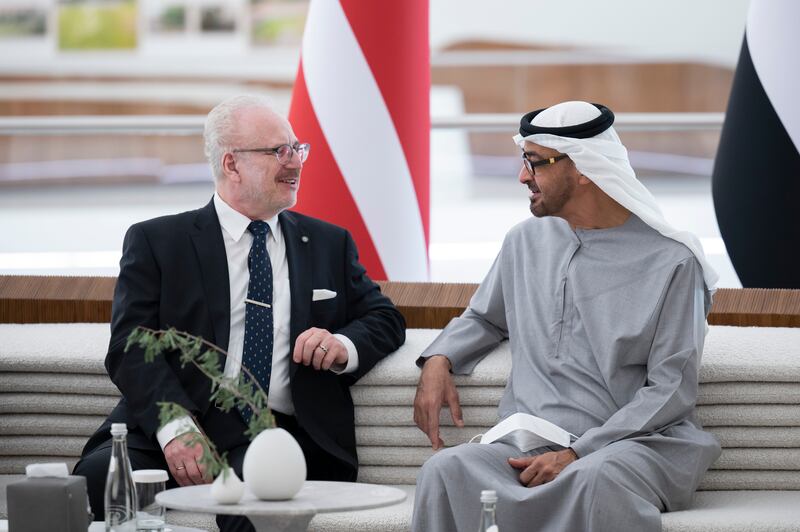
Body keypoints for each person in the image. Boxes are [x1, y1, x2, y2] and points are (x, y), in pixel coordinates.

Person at [73, 94, 405, 531]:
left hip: (271, 432)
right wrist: (175, 428)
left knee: (255, 504)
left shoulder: (328, 243)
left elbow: (385, 318)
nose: (295, 163)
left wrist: (341, 344)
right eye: (278, 152)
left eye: (296, 149)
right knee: (90, 486)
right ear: (231, 164)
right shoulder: (158, 242)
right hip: (168, 425)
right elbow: (130, 347)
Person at [411, 101, 721, 532]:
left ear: (585, 169)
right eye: (524, 161)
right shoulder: (524, 242)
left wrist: (579, 452)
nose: (523, 176)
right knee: (446, 471)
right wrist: (439, 359)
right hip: (531, 440)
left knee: (597, 480)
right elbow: (485, 318)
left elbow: (671, 389)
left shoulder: (672, 262)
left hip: (633, 446)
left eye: (535, 164)